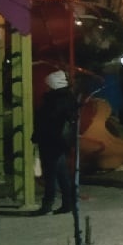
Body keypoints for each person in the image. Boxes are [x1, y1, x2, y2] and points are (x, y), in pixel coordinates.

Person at [32, 69, 78, 215]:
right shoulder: (67, 99)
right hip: (61, 141)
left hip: (50, 141)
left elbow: (45, 123)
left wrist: (36, 136)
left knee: (50, 175)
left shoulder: (53, 102)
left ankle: (48, 204)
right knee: (62, 173)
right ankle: (67, 202)